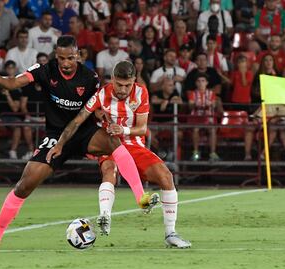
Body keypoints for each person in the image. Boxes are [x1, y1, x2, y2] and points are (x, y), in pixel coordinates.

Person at [0, 36, 158, 250]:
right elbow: (14, 82)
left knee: (112, 143)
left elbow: (94, 108)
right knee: (25, 184)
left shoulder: (90, 77)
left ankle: (140, 196)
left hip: (84, 131)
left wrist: (104, 117)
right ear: (56, 55)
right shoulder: (45, 70)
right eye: (61, 58)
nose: (65, 63)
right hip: (56, 134)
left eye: (70, 58)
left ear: (78, 55)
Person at [46, 60, 191, 248]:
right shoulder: (101, 94)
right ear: (112, 79)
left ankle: (170, 233)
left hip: (133, 144)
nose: (123, 89)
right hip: (109, 145)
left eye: (127, 85)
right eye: (119, 84)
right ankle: (105, 216)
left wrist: (122, 129)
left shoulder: (141, 93)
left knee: (166, 177)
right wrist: (60, 144)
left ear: (134, 81)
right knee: (108, 169)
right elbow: (78, 120)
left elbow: (142, 128)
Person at [0, 61, 22, 160]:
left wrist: (8, 96)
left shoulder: (16, 91)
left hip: (12, 118)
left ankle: (13, 151)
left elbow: (15, 109)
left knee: (18, 126)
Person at [188, 73, 221, 162]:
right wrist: (195, 104)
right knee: (195, 129)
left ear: (206, 83)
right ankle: (195, 152)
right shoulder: (192, 93)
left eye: (203, 81)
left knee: (212, 129)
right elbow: (190, 105)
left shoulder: (211, 93)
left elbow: (214, 105)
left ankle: (213, 153)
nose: (201, 83)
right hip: (196, 118)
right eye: (198, 81)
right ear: (196, 83)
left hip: (208, 117)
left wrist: (210, 104)